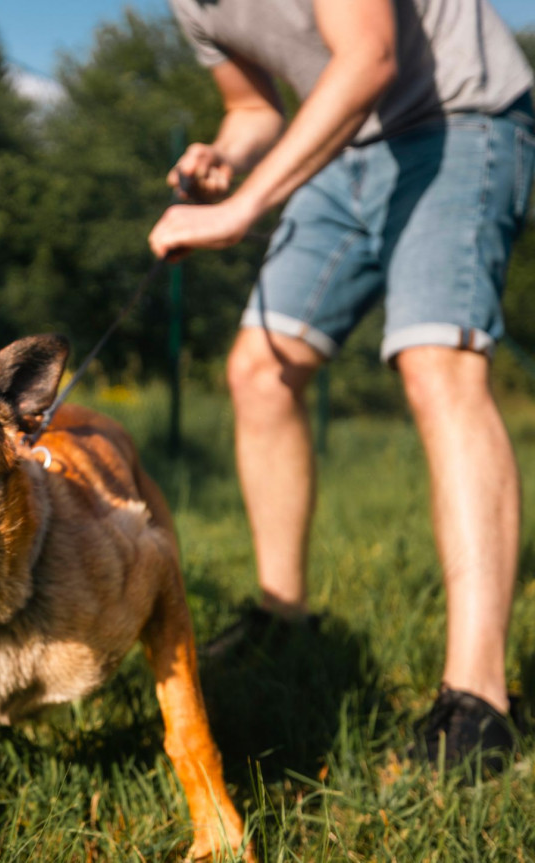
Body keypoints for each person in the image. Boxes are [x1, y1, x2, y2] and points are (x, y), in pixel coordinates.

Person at [150, 0, 534, 772]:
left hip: (460, 118)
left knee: (438, 363)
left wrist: (241, 208)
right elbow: (254, 107)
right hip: (345, 148)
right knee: (261, 369)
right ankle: (283, 613)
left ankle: (479, 699)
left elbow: (370, 59)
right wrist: (227, 152)